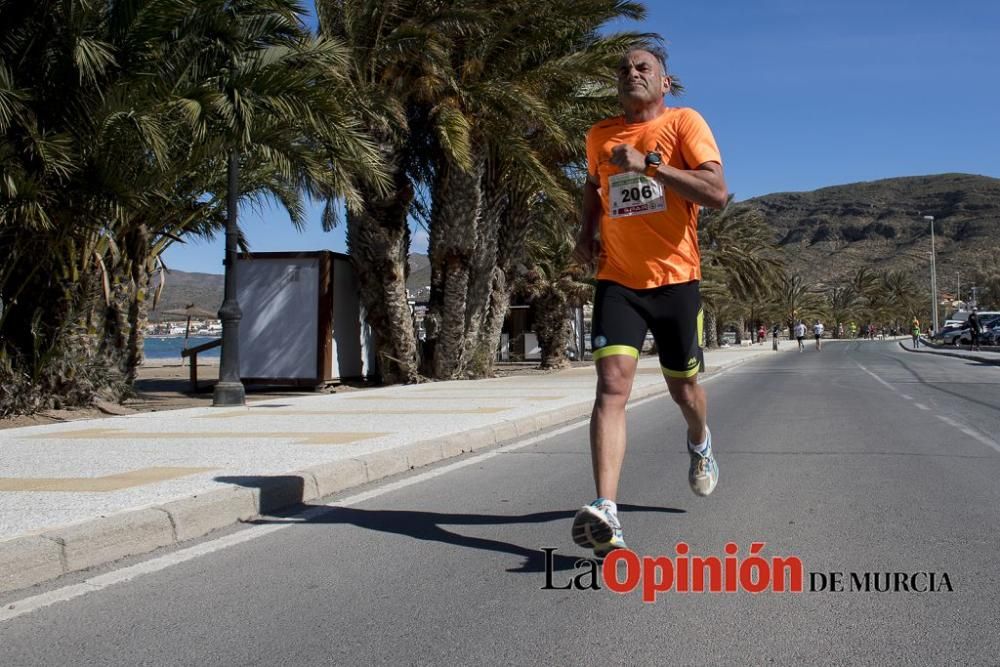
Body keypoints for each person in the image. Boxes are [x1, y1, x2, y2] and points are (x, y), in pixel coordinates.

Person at [570, 43, 728, 557]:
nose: (631, 73)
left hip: (677, 280)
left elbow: (716, 192)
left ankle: (700, 442)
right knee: (612, 386)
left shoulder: (684, 123)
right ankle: (607, 509)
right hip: (618, 279)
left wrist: (650, 166)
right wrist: (586, 231)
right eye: (623, 69)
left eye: (643, 67)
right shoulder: (599, 135)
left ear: (664, 82)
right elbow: (594, 187)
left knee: (684, 391)